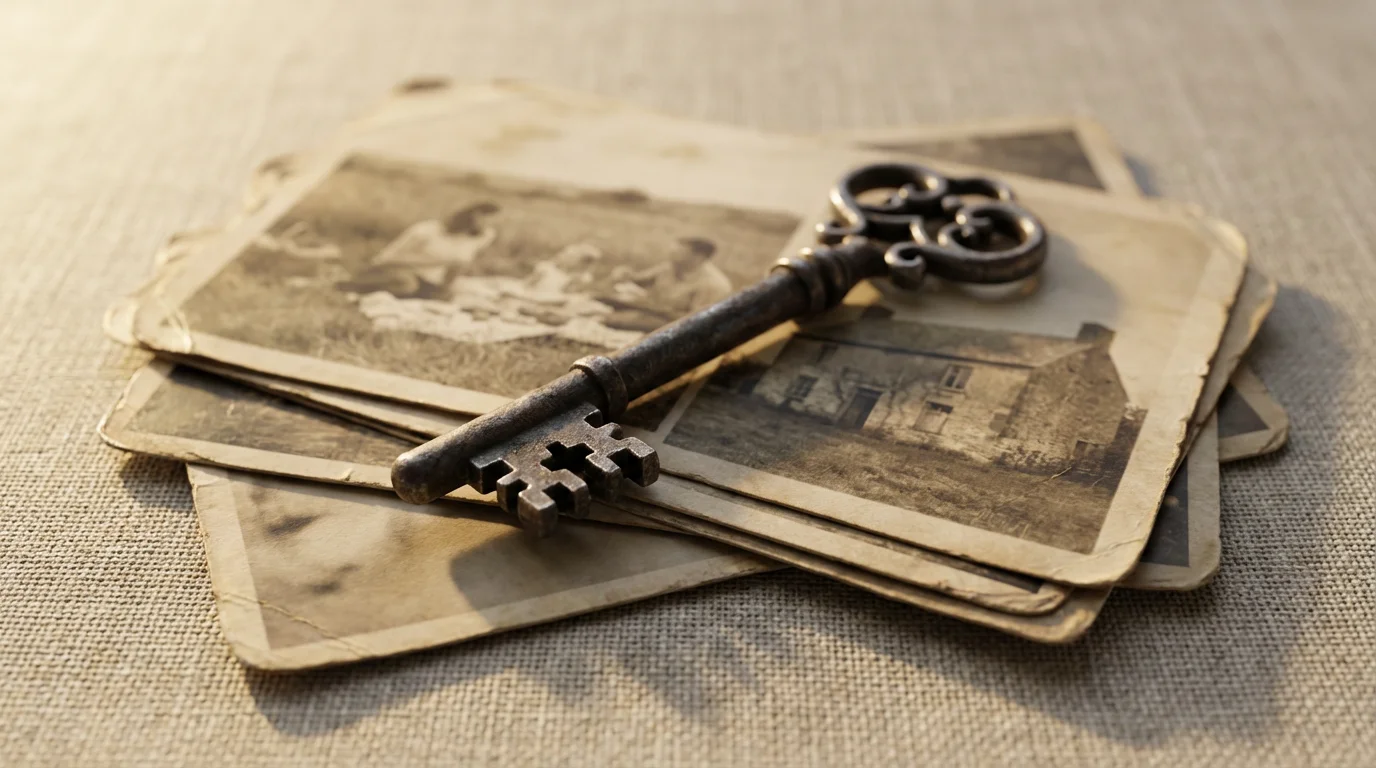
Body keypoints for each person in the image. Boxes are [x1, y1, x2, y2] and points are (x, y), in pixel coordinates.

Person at [339, 202, 499, 299]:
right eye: (484, 219)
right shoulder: (427, 230)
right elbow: (388, 258)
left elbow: (461, 263)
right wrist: (438, 261)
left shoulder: (485, 235)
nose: (487, 225)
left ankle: (410, 295)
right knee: (406, 285)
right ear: (472, 216)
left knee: (449, 295)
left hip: (432, 279)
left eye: (492, 221)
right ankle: (354, 285)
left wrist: (448, 284)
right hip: (398, 269)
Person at [600, 236, 733, 331]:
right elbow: (638, 280)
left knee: (613, 320)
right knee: (600, 300)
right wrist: (625, 274)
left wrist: (647, 308)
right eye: (673, 251)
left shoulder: (713, 284)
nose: (671, 254)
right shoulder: (671, 266)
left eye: (679, 252)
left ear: (698, 258)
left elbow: (695, 321)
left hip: (678, 325)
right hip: (653, 311)